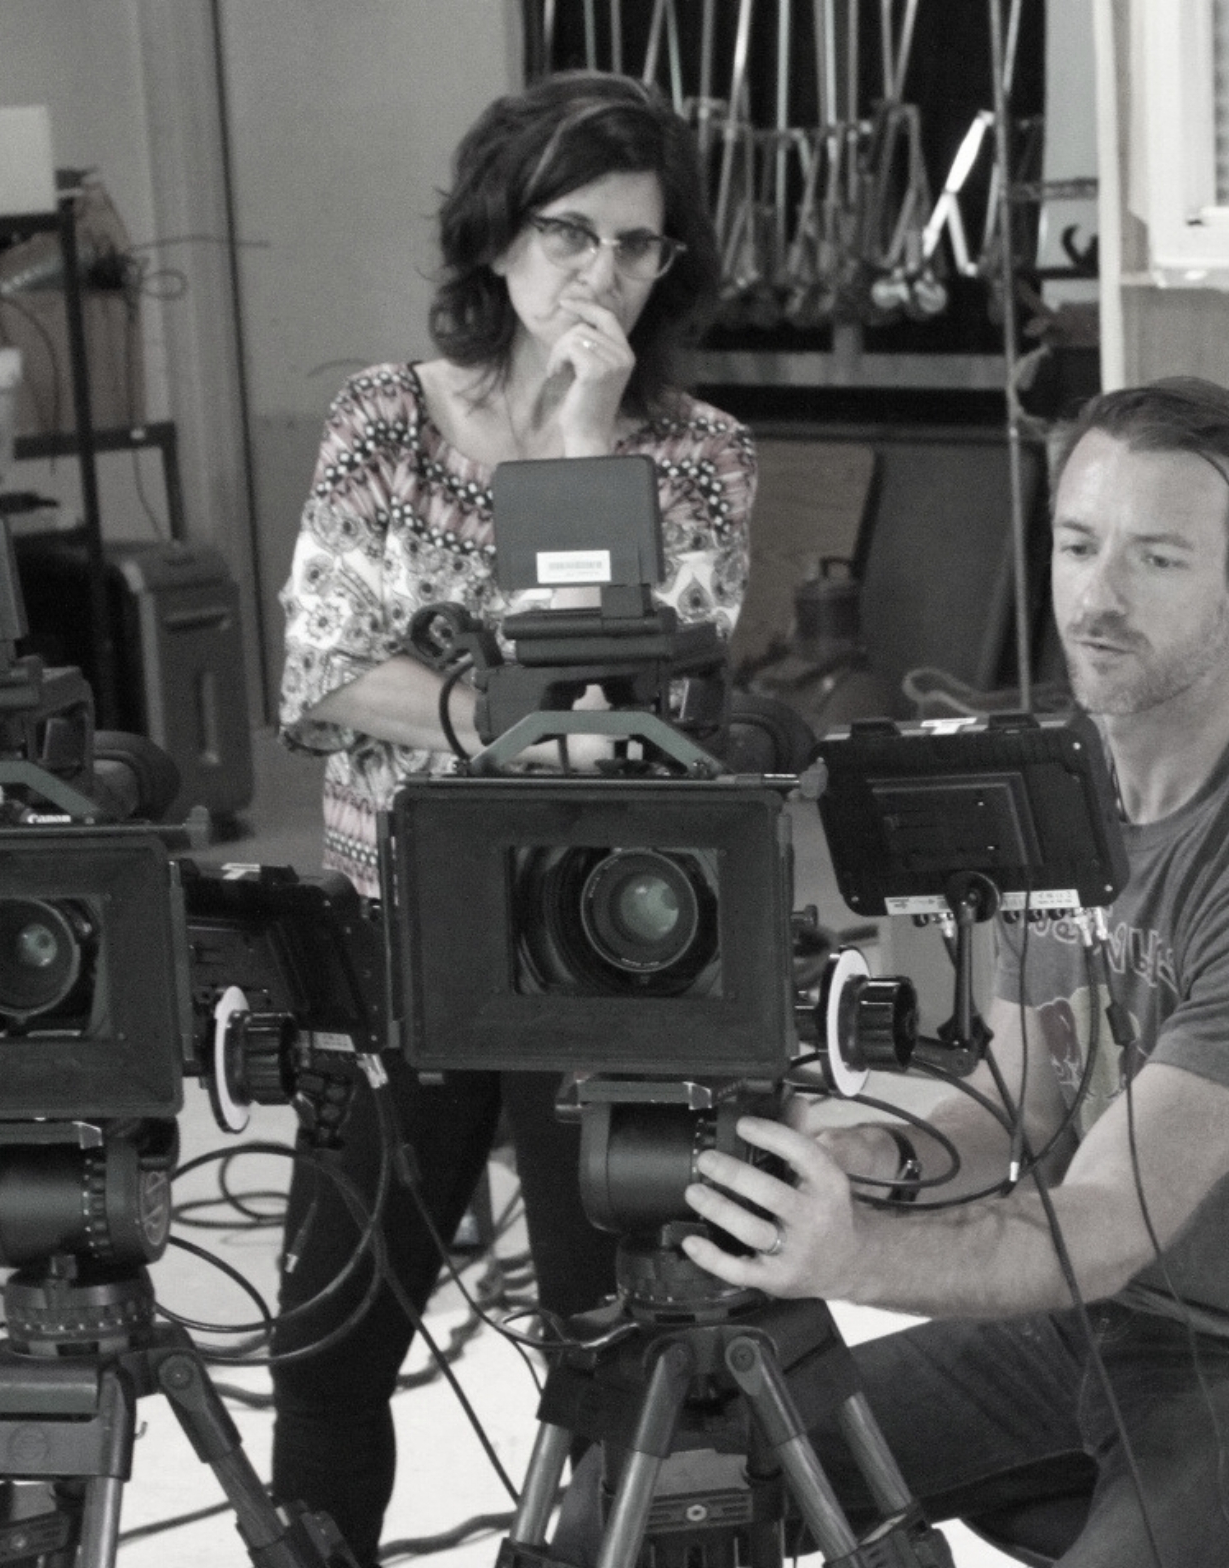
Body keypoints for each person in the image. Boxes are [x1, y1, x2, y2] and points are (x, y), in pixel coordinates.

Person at [650, 378, 1229, 1567]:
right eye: (1077, 544)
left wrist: (852, 1253)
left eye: (1157, 559)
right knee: (679, 1483)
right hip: (1092, 1320)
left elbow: (1102, 1220)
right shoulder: (1061, 795)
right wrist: (876, 1158)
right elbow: (1025, 1103)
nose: (1095, 595)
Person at [272, 71, 754, 1565]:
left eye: (635, 245)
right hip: (391, 941)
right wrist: (485, 716)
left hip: (592, 952)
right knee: (328, 1338)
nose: (599, 274)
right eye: (568, 235)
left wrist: (579, 440)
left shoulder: (696, 456)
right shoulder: (380, 421)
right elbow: (321, 668)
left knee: (606, 1338)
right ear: (494, 239)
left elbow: (634, 703)